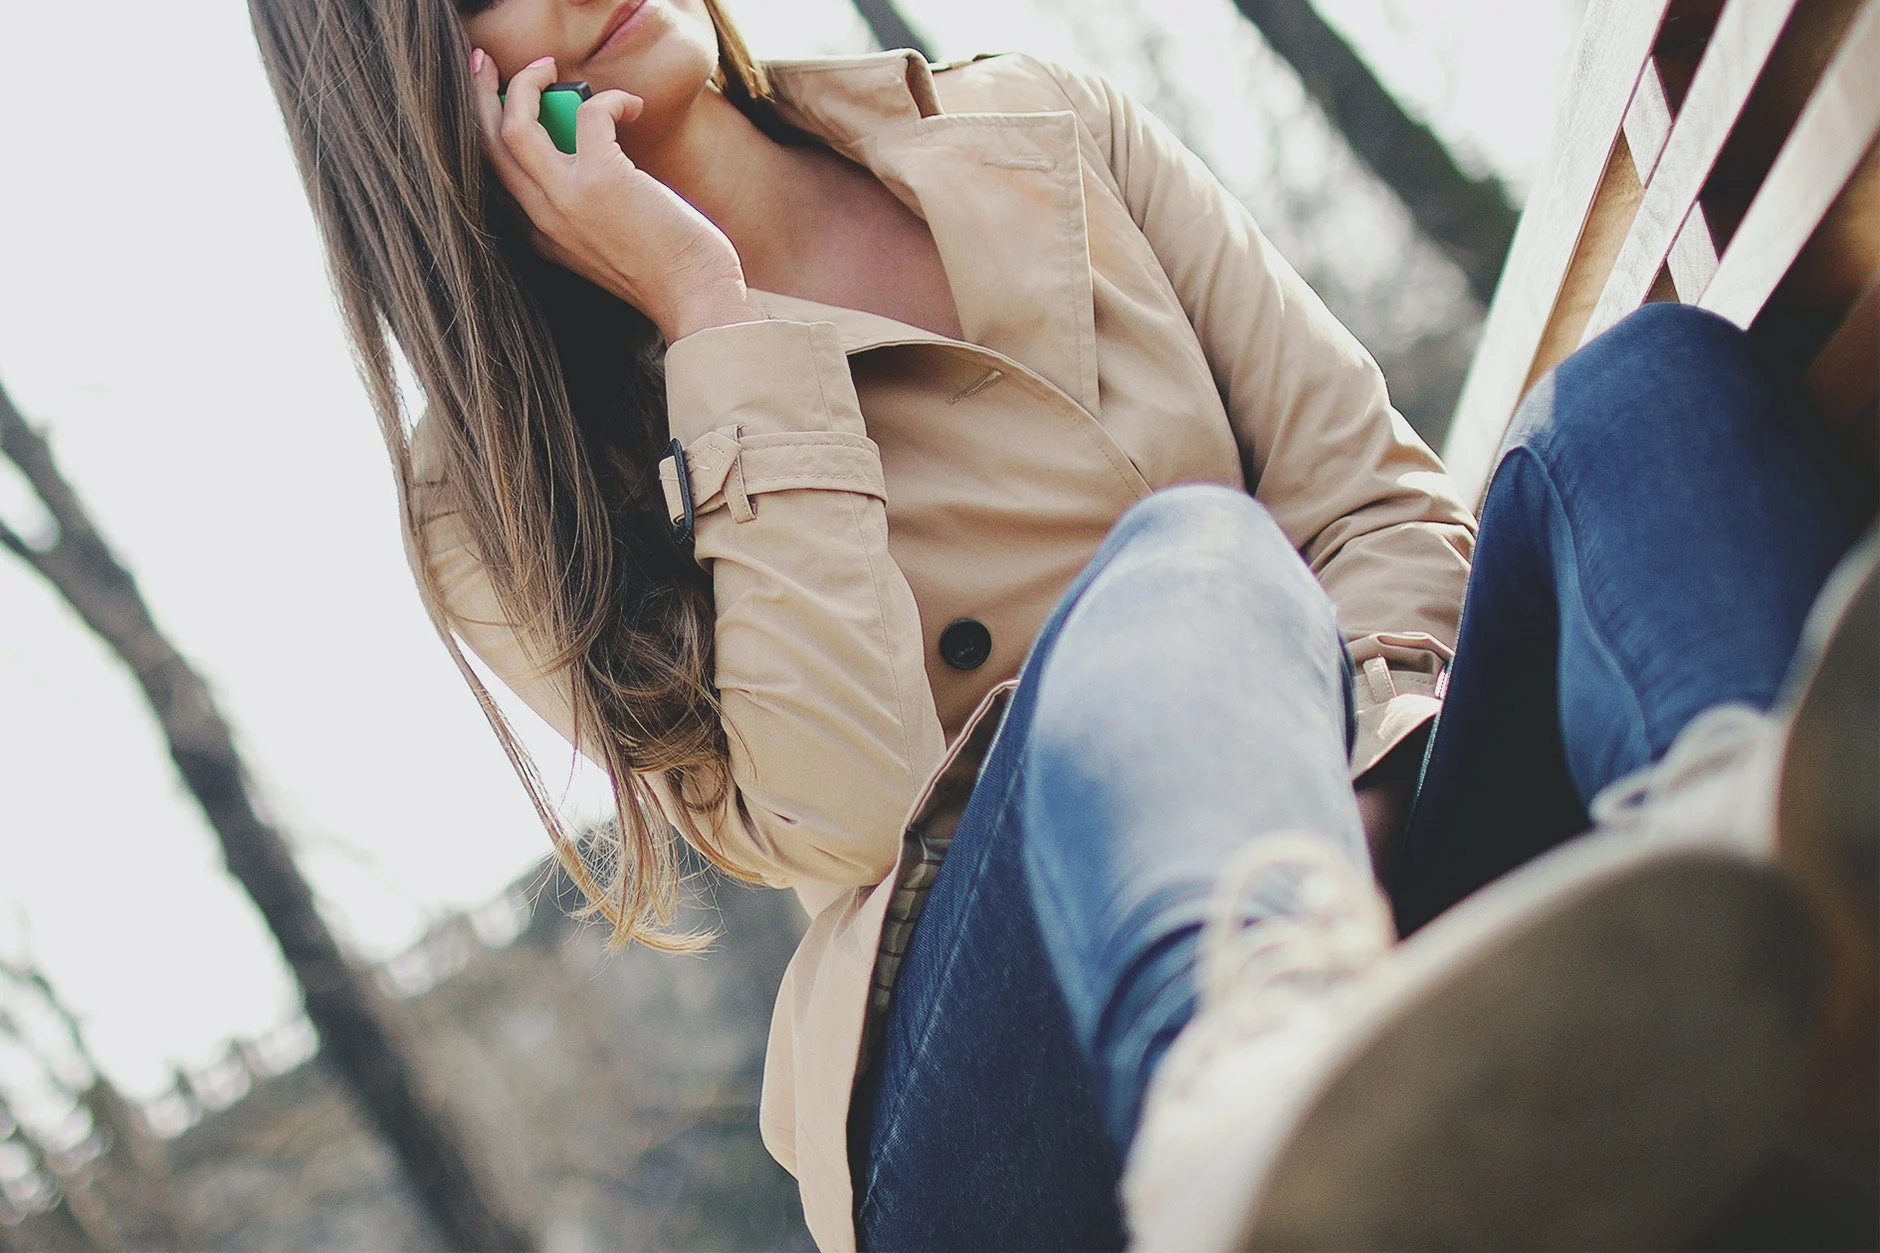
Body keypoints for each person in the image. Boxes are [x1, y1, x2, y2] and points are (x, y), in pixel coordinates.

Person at [245, 0, 1871, 1247]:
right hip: (1024, 1077)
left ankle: (1776, 882)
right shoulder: (504, 492)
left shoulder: (1035, 128)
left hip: (1388, 850)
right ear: (414, 84)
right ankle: (1249, 1089)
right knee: (1189, 567)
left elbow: (1377, 507)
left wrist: (1336, 793)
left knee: (1634, 406)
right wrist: (715, 326)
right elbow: (860, 809)